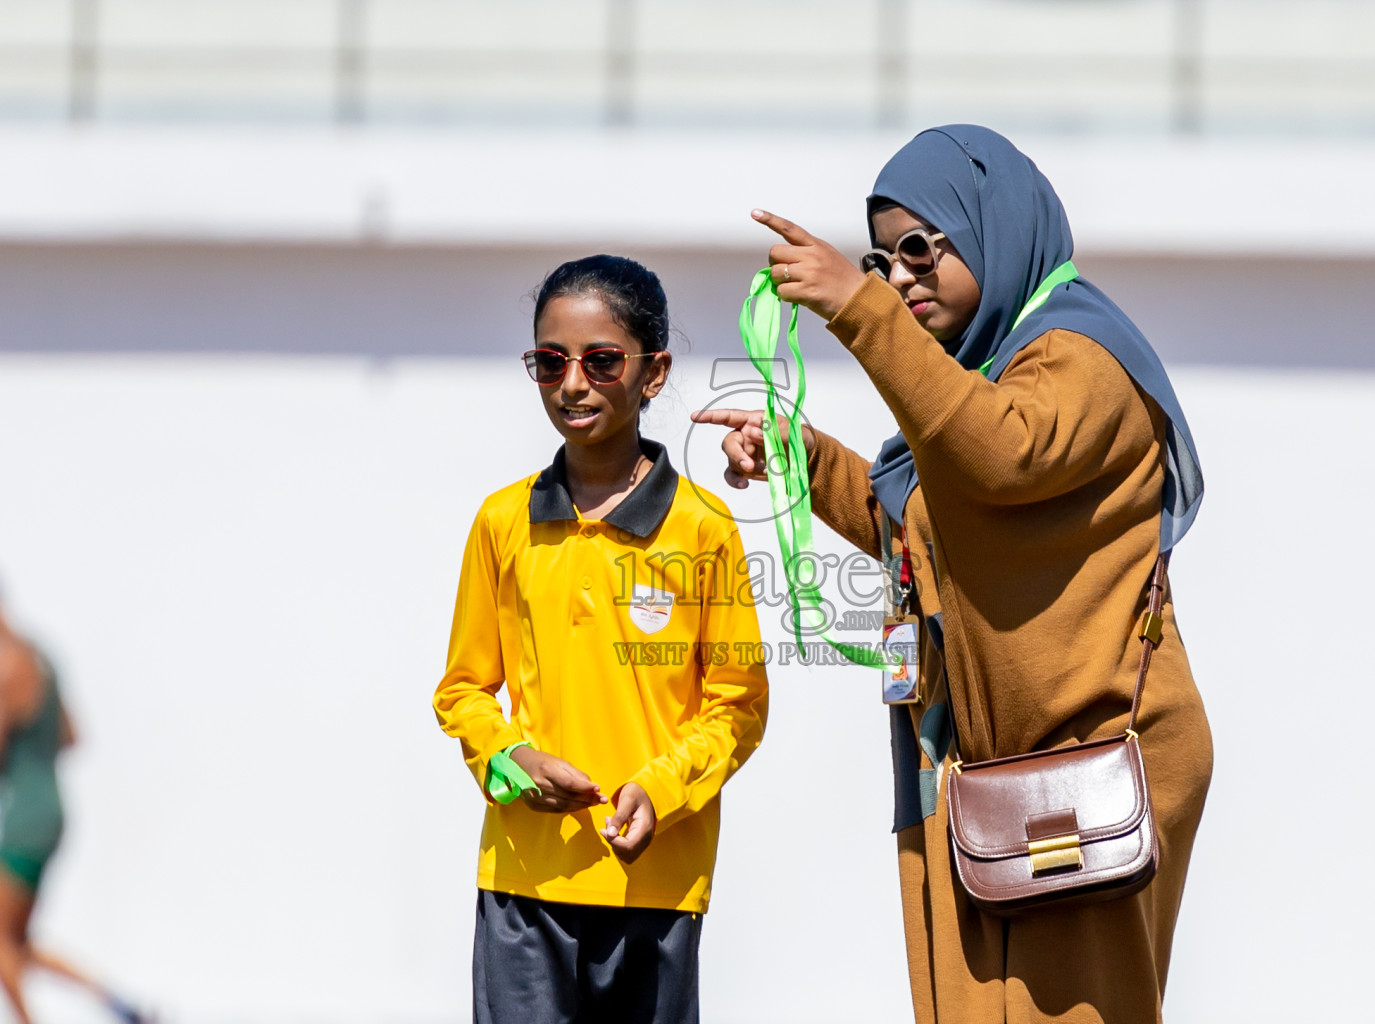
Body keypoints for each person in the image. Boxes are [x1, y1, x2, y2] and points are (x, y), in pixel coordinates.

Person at [692, 126, 1214, 1023]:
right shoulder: (987, 373)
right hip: (992, 763)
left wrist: (860, 309)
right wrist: (801, 457)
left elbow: (1001, 457)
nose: (900, 277)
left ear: (992, 231)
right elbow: (926, 531)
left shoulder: (1080, 358)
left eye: (920, 250)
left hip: (1085, 758)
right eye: (882, 259)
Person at [433, 255, 770, 1024]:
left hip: (656, 884)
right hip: (523, 885)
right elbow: (462, 691)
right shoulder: (502, 522)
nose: (573, 383)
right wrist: (513, 762)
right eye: (550, 362)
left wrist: (658, 790)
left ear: (654, 373)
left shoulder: (704, 530)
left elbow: (738, 705)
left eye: (602, 360)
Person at [0, 595, 151, 1024]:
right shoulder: (43, 658)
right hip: (51, 804)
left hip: (23, 813)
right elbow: (72, 735)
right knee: (15, 942)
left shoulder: (7, 666)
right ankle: (117, 1002)